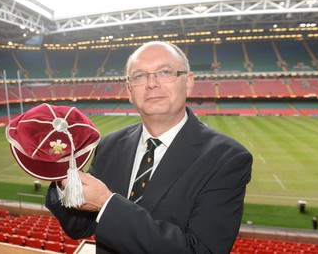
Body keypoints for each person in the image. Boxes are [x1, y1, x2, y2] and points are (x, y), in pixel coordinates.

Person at [46, 41, 253, 253]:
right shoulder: (110, 145)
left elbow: (200, 250)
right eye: (139, 76)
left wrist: (107, 204)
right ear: (129, 90)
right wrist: (60, 173)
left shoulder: (228, 159)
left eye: (165, 72)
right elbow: (80, 226)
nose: (151, 83)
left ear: (189, 82)